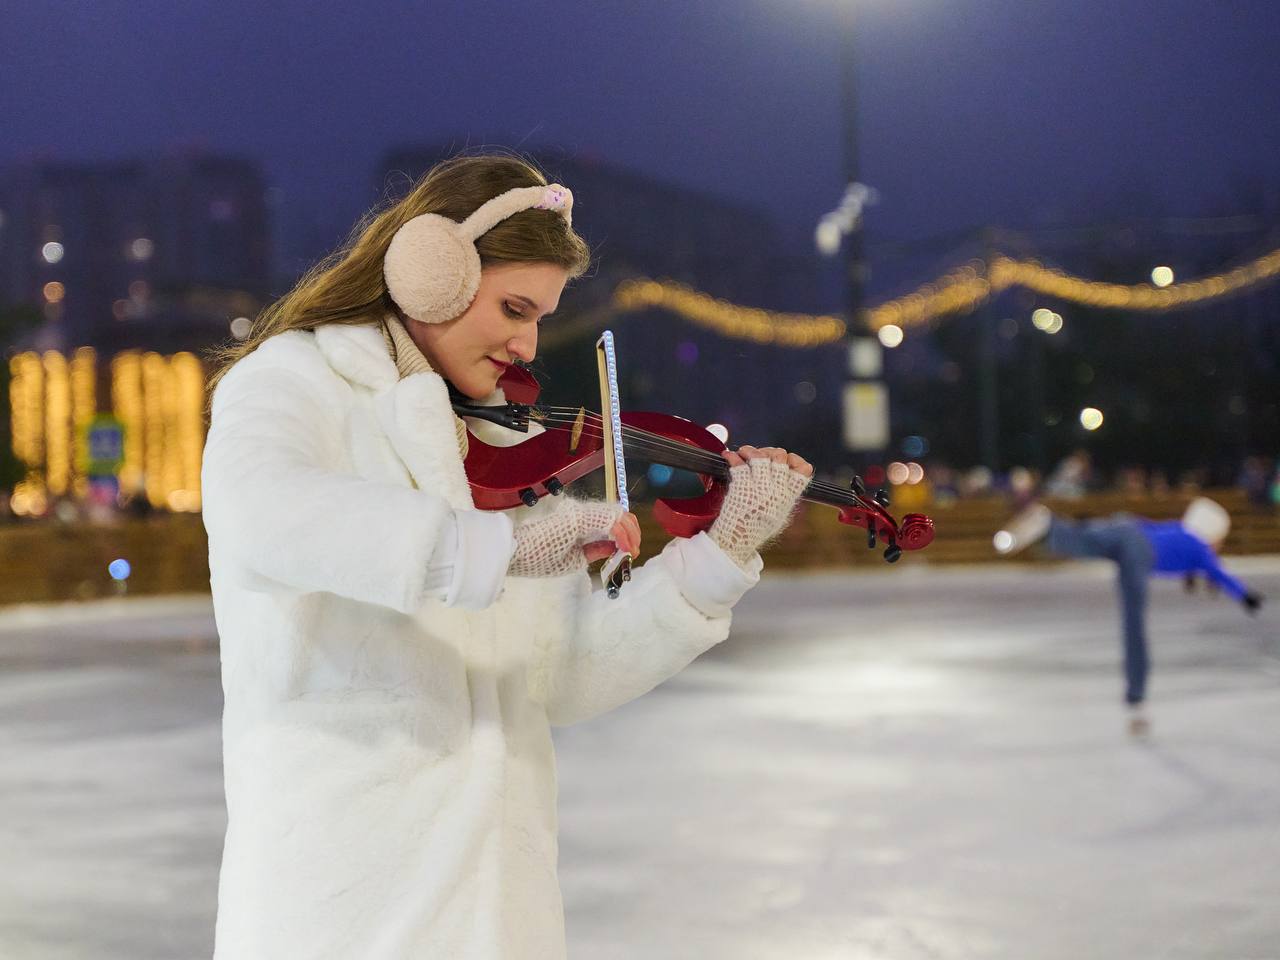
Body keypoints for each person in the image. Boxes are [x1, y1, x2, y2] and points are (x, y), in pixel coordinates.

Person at [200, 154, 813, 959]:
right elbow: (258, 509)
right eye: (514, 308)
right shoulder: (295, 380)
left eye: (542, 316)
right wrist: (491, 548)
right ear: (430, 274)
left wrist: (716, 556)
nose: (528, 343)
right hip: (344, 903)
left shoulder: (501, 442)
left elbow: (562, 675)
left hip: (499, 912)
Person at [995, 496, 1264, 735]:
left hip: (1126, 529)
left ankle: (1052, 527)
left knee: (1087, 544)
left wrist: (1096, 526)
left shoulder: (1179, 531)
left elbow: (1140, 525)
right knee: (1133, 626)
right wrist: (1246, 596)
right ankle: (1137, 697)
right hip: (1137, 553)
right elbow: (1220, 574)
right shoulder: (1201, 549)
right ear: (1212, 533)